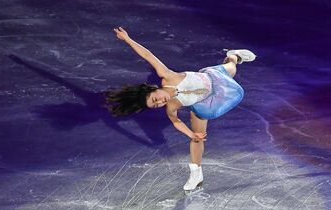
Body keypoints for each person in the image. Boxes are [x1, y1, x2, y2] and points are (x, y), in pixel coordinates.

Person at [105, 27, 255, 193]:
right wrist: (191, 134)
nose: (161, 102)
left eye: (156, 99)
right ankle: (196, 173)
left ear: (152, 89)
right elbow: (175, 120)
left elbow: (147, 55)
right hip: (204, 103)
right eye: (156, 105)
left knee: (232, 65)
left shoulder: (168, 76)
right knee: (197, 138)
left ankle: (233, 54)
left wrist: (127, 39)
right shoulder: (172, 105)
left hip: (214, 78)